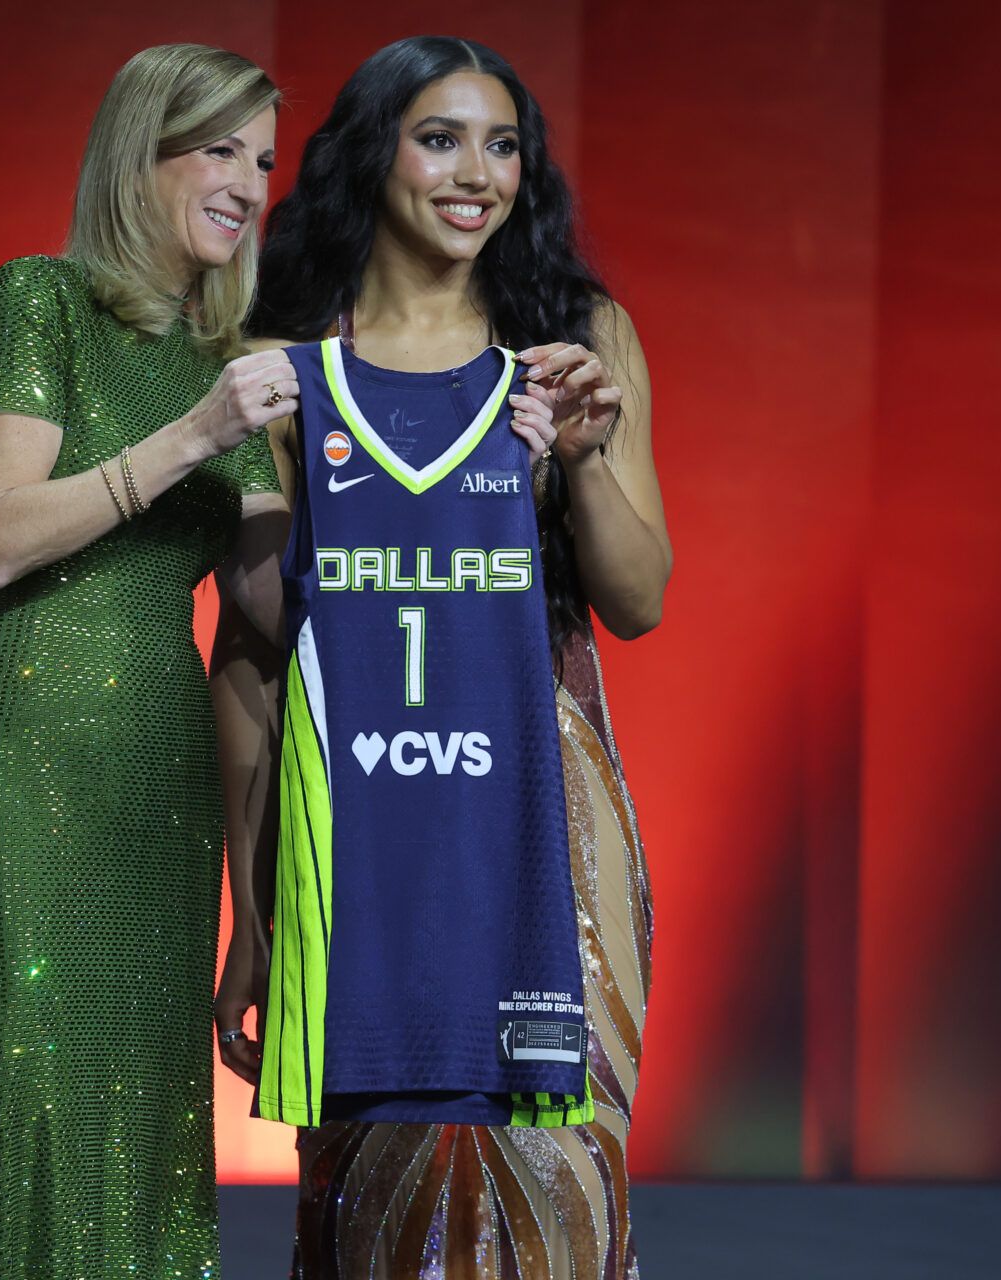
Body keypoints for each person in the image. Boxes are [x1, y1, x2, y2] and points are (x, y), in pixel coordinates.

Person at [226, 35, 668, 1278]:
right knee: (379, 1200)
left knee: (558, 1184)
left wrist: (580, 451)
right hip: (355, 824)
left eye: (504, 143)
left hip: (545, 817)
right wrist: (252, 918)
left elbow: (637, 600)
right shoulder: (284, 360)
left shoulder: (578, 337)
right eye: (440, 138)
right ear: (374, 155)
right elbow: (254, 654)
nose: (478, 173)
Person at [0, 44, 296, 1280]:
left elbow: (276, 614)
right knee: (25, 1086)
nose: (248, 182)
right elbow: (0, 536)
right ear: (144, 153)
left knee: (142, 1120)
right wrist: (197, 434)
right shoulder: (43, 299)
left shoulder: (230, 365)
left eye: (266, 159)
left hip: (159, 772)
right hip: (25, 751)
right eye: (220, 148)